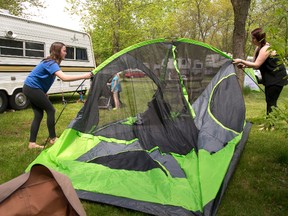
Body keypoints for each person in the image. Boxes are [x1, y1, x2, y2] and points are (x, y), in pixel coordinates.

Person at [23, 42, 93, 149]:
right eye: (64, 51)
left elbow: (41, 77)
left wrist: (43, 92)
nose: (66, 53)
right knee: (51, 110)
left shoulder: (51, 62)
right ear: (58, 51)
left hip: (30, 88)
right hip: (32, 88)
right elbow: (64, 78)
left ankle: (32, 143)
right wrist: (85, 75)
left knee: (38, 115)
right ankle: (53, 138)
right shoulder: (51, 63)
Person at [233, 27, 288, 115]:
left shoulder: (266, 49)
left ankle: (271, 124)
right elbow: (255, 64)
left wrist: (241, 60)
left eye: (254, 38)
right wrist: (244, 66)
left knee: (271, 101)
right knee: (269, 100)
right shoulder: (258, 48)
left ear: (259, 38)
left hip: (277, 78)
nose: (252, 40)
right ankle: (269, 122)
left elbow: (257, 65)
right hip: (270, 78)